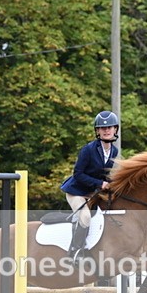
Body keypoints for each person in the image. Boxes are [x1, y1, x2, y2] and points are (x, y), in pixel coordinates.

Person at [60, 110, 120, 263]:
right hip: (76, 191)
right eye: (102, 128)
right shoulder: (88, 150)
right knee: (86, 217)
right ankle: (75, 252)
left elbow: (103, 174)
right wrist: (100, 184)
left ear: (115, 129)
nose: (106, 130)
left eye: (109, 127)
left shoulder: (114, 150)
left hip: (92, 192)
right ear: (97, 131)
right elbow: (78, 174)